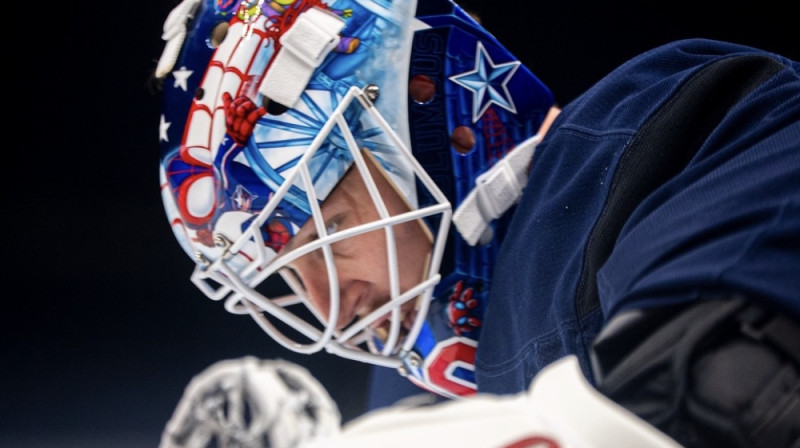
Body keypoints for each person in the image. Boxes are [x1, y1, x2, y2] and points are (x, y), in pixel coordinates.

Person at [153, 0, 800, 446]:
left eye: (327, 233)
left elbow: (726, 396)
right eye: (287, 273)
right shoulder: (411, 403)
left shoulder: (668, 130)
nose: (328, 307)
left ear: (416, 136)